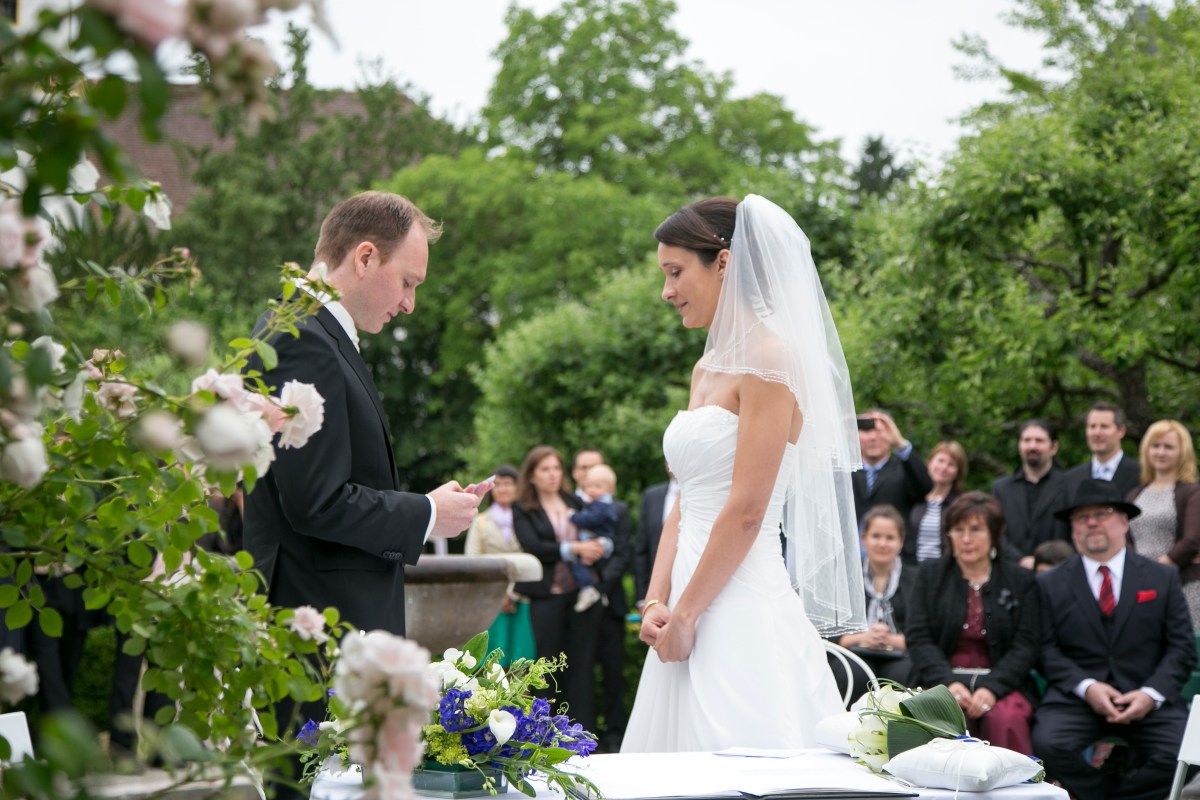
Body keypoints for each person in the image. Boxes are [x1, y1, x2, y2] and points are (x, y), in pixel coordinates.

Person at [242, 192, 483, 777]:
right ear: (366, 257)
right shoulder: (304, 338)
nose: (409, 304)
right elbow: (317, 502)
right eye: (408, 281)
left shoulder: (313, 333)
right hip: (319, 634)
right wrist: (426, 514)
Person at [622, 195, 864, 752]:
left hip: (739, 604)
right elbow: (685, 500)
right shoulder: (704, 367)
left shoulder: (772, 360)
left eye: (676, 272)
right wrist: (656, 602)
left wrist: (687, 615)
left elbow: (749, 507)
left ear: (724, 263)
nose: (667, 291)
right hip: (683, 603)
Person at [1032, 479, 1196, 800]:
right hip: (1077, 701)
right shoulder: (1050, 584)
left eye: (1102, 513)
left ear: (1124, 521)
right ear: (1073, 529)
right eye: (1081, 517)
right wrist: (1087, 687)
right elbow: (1045, 650)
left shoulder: (1161, 578)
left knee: (1186, 753)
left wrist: (1150, 694)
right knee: (1047, 744)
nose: (1092, 522)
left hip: (1149, 700)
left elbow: (1182, 649)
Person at [904, 492, 1040, 754]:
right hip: (940, 681)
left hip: (1004, 683)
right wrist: (947, 684)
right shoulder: (930, 576)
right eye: (958, 530)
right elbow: (918, 637)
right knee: (942, 722)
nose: (966, 539)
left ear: (994, 534)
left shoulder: (1021, 580)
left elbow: (1027, 644)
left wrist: (992, 689)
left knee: (1005, 719)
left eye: (976, 530)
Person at [512, 446, 605, 733]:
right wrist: (574, 548)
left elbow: (600, 528)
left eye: (556, 468)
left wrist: (596, 548)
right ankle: (544, 735)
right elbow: (533, 546)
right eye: (545, 469)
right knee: (547, 668)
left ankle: (582, 735)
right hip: (546, 596)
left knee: (581, 665)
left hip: (581, 595)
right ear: (531, 476)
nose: (553, 475)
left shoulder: (575, 501)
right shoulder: (523, 508)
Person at [569, 448, 633, 752]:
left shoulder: (618, 509)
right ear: (575, 473)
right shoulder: (569, 508)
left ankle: (615, 735)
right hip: (576, 602)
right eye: (582, 467)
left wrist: (601, 585)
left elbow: (622, 552)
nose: (587, 473)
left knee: (613, 671)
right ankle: (582, 733)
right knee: (579, 670)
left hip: (610, 600)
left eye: (593, 467)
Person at [1127, 420, 1200, 628]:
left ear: (1182, 452)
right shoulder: (1134, 495)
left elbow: (1192, 540)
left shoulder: (1192, 492)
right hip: (1140, 586)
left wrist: (1157, 570)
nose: (1161, 452)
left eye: (1168, 447)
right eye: (1155, 446)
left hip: (1184, 585)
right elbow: (1124, 538)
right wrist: (1139, 572)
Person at [835, 505, 914, 692]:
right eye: (876, 536)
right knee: (854, 674)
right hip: (854, 653)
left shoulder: (917, 580)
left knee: (902, 675)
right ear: (864, 538)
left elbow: (926, 631)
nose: (882, 544)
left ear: (901, 541)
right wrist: (863, 637)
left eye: (890, 538)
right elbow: (829, 629)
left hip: (902, 655)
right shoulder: (845, 577)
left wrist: (892, 640)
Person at [464, 465, 536, 666]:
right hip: (490, 599)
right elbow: (473, 561)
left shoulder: (530, 518)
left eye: (508, 484)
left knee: (522, 659)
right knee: (491, 660)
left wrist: (512, 593)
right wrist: (499, 594)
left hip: (522, 595)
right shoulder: (480, 521)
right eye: (498, 485)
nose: (503, 489)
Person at [992, 420, 1072, 569]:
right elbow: (996, 531)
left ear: (1054, 447)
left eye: (1039, 441)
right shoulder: (1001, 488)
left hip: (1057, 572)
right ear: (1019, 445)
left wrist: (1045, 562)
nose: (1032, 446)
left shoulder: (1069, 486)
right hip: (1011, 572)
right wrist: (1020, 560)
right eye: (1026, 440)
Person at [852, 410, 933, 524]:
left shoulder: (904, 471)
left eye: (879, 430)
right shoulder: (847, 473)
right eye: (866, 430)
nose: (873, 437)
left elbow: (925, 487)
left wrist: (900, 443)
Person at [906, 441, 966, 568]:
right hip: (912, 572)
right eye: (940, 461)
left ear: (957, 472)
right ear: (929, 463)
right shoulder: (912, 498)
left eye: (951, 464)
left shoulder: (960, 505)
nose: (944, 468)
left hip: (945, 573)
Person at [568, 464, 620, 613]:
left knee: (577, 562)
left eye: (597, 486)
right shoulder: (596, 503)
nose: (592, 489)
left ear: (609, 489)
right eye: (589, 486)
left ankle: (589, 589)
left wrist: (572, 516)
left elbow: (589, 520)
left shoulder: (601, 505)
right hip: (596, 540)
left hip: (599, 540)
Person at [1064, 402, 1141, 499]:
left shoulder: (1141, 474)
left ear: (1121, 431)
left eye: (1104, 426)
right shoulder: (1070, 479)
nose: (1097, 433)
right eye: (1092, 426)